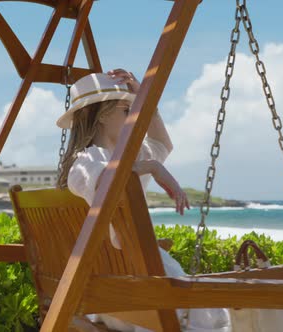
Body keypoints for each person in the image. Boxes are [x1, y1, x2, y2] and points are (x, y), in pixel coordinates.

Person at [56, 69, 230, 331]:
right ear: (102, 115)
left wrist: (143, 99)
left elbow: (162, 144)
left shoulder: (127, 156)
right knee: (215, 315)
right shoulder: (89, 159)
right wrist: (153, 168)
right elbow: (107, 182)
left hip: (125, 289)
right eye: (127, 110)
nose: (135, 117)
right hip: (136, 293)